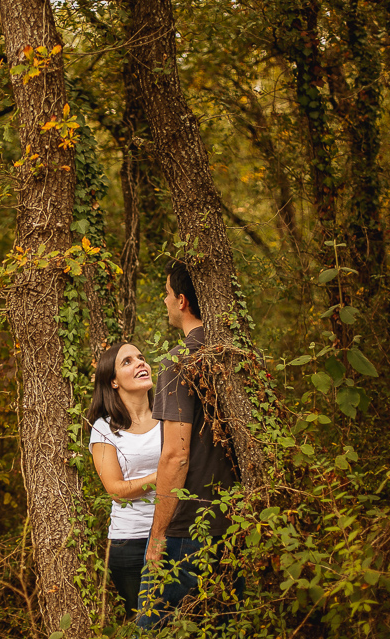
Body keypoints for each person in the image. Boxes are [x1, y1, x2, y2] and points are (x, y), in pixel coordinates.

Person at [135, 260, 240, 631]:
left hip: (187, 528)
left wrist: (159, 535)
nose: (164, 301)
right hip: (234, 524)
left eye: (166, 293)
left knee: (152, 628)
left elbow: (176, 455)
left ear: (181, 301)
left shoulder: (179, 362)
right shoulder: (234, 356)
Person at [87, 342, 162, 616]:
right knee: (146, 626)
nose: (140, 363)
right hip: (131, 544)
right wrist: (165, 475)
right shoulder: (104, 428)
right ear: (114, 382)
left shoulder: (170, 416)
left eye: (141, 358)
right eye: (128, 361)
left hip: (178, 535)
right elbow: (116, 489)